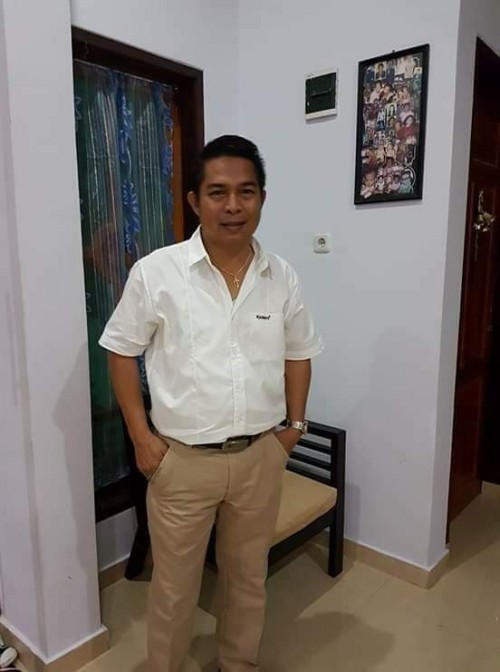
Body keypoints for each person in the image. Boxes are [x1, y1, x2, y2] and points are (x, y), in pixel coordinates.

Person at [99, 135, 323, 672]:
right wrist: (142, 439)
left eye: (246, 191)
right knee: (174, 590)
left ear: (262, 198)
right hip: (182, 463)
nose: (233, 205)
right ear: (195, 201)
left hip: (259, 457)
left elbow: (299, 354)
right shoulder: (157, 272)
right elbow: (120, 352)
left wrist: (293, 429)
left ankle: (237, 664)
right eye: (218, 192)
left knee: (248, 579)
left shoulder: (281, 276)